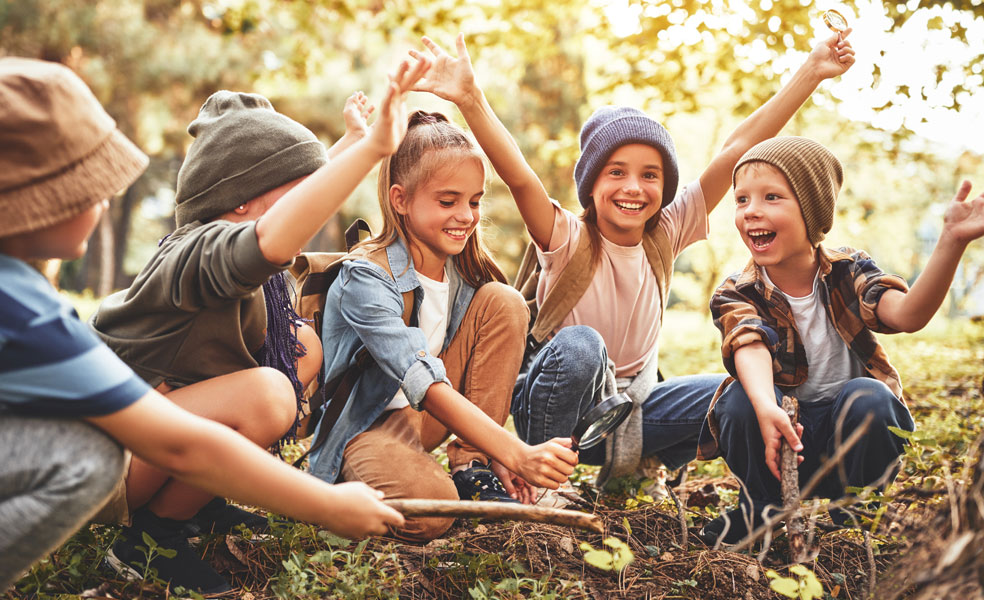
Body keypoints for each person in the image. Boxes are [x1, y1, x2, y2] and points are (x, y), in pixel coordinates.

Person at [0, 57, 407, 600]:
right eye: (91, 187)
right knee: (268, 393)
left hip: (135, 428)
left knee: (299, 347)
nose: (104, 198)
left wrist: (351, 142)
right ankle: (148, 541)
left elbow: (283, 201)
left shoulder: (7, 285)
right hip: (127, 449)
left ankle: (193, 503)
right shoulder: (195, 254)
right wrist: (325, 504)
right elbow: (271, 236)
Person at [409, 32, 855, 504]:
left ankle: (642, 471)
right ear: (591, 182)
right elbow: (518, 173)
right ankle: (539, 484)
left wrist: (812, 71)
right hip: (558, 406)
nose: (633, 187)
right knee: (583, 345)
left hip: (634, 410)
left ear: (665, 186)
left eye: (650, 174)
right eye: (616, 172)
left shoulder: (667, 230)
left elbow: (739, 144)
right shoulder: (566, 237)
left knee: (740, 392)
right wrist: (470, 98)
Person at [306, 110, 578, 541]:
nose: (466, 216)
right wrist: (517, 451)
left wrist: (496, 454)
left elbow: (477, 370)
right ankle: (355, 485)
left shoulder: (462, 273)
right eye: (447, 201)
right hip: (364, 428)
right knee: (435, 514)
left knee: (505, 302)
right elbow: (424, 380)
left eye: (474, 201)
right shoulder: (367, 276)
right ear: (400, 199)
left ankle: (472, 466)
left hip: (421, 423)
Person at [698, 136, 984, 545]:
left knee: (870, 396)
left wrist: (952, 241)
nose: (751, 211)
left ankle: (856, 510)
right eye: (741, 200)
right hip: (776, 440)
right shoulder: (737, 292)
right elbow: (749, 343)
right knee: (738, 400)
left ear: (812, 212)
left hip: (847, 439)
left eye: (771, 197)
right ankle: (760, 508)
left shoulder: (849, 271)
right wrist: (766, 408)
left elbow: (908, 314)